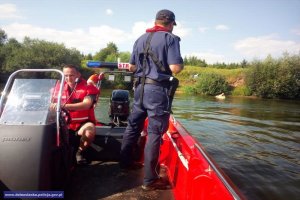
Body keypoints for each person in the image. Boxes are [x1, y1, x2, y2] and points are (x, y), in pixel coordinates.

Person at [119, 9, 184, 191]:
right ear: (170, 24)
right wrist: (180, 63)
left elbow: (131, 66)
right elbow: (175, 68)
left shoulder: (140, 39)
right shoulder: (170, 38)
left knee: (133, 126)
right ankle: (150, 180)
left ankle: (125, 163)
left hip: (139, 89)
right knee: (155, 133)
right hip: (157, 91)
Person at [59, 64, 99, 165]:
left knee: (89, 132)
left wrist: (62, 106)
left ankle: (80, 152)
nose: (68, 78)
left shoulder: (89, 88)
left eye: (71, 75)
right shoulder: (58, 88)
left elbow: (86, 105)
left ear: (78, 75)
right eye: (66, 75)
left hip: (83, 123)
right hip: (63, 123)